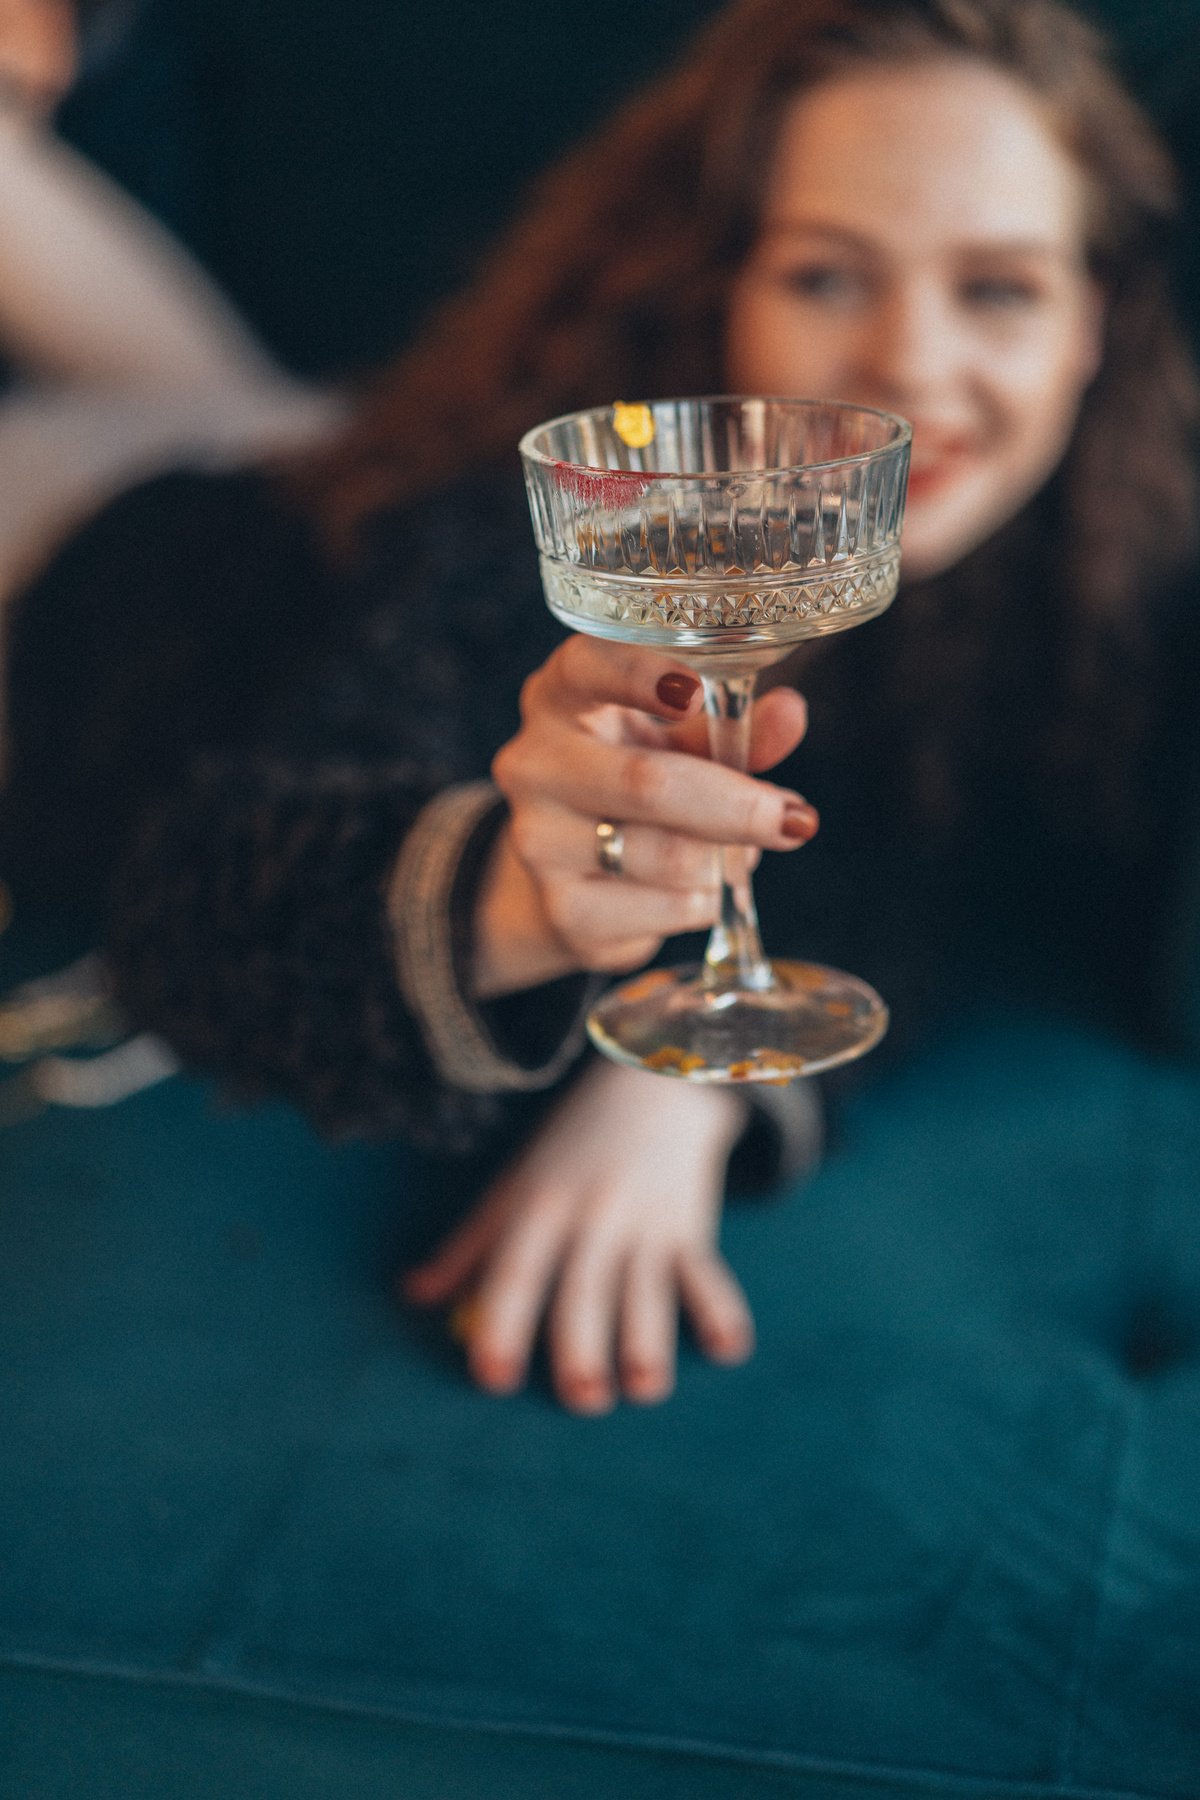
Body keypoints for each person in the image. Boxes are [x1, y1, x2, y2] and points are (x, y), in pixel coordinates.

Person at [1, 0, 1195, 1416]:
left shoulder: (1043, 578)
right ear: (721, 287)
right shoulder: (546, 545)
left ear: (1094, 320)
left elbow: (898, 848)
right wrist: (512, 895)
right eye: (827, 278)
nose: (914, 369)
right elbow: (205, 903)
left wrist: (690, 1090)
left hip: (287, 433)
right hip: (70, 558)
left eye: (996, 287)